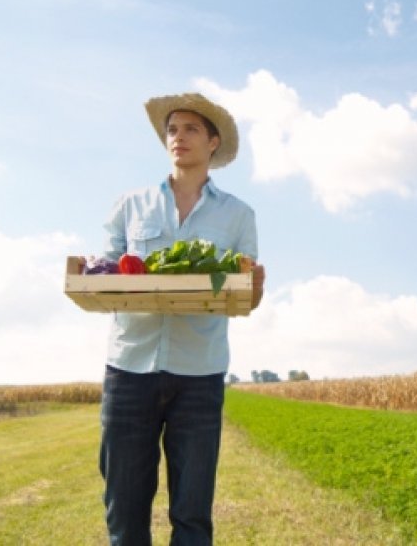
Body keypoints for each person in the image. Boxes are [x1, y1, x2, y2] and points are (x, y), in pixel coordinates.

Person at [96, 92, 266, 544]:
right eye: (172, 129)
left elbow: (243, 292)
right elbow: (107, 272)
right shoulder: (130, 206)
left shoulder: (238, 216)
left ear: (213, 143)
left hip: (200, 373)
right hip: (130, 368)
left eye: (191, 129)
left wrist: (256, 288)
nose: (179, 137)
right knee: (124, 509)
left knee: (192, 515)